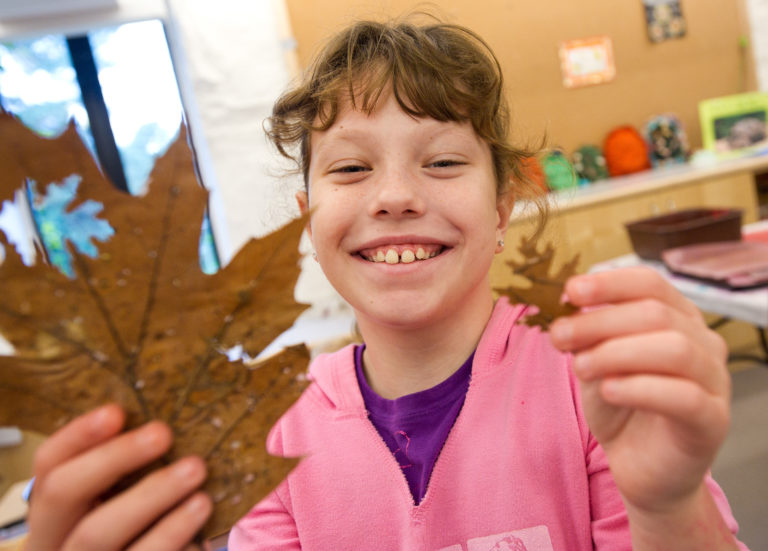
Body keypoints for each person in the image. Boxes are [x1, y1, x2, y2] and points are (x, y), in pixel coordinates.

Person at [20, 15, 747, 551]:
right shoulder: (276, 429)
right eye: (350, 167)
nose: (394, 195)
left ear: (501, 208)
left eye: (440, 162)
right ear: (309, 220)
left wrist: (670, 505)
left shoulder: (586, 386)